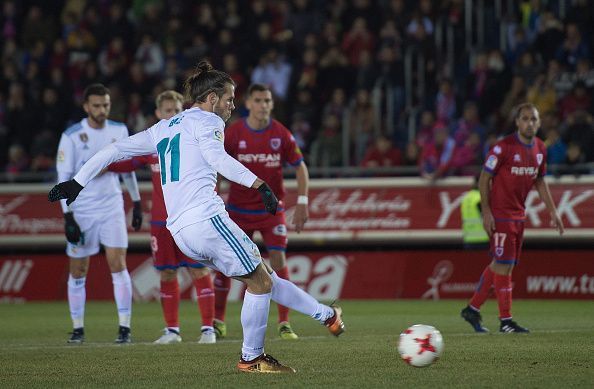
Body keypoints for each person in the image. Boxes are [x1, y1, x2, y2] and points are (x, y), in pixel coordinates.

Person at [49, 61, 344, 373]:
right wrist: (258, 184)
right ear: (213, 98)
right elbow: (218, 158)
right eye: (230, 98)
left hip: (182, 231)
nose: (234, 105)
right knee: (259, 281)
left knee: (263, 276)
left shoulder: (164, 127)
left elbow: (114, 150)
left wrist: (77, 181)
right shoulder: (208, 121)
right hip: (207, 219)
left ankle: (326, 315)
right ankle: (251, 358)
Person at [107, 90, 217, 344]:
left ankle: (207, 330)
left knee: (198, 270)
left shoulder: (193, 141)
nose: (172, 114)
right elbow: (124, 162)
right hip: (160, 221)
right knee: (167, 274)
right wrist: (97, 162)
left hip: (190, 217)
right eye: (167, 110)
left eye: (177, 110)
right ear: (158, 114)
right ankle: (172, 331)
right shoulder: (154, 143)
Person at [213, 83, 309, 341]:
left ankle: (285, 322)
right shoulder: (234, 133)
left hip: (271, 210)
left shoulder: (281, 134)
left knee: (278, 261)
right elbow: (217, 164)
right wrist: (214, 195)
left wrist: (302, 201)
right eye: (258, 100)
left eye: (267, 100)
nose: (263, 105)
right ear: (248, 104)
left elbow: (300, 167)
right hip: (237, 209)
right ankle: (218, 320)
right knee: (226, 264)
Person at [460, 103, 564, 334]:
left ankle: (473, 309)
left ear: (539, 123)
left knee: (501, 264)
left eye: (533, 119)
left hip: (519, 214)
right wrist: (487, 212)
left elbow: (539, 180)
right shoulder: (503, 147)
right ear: (517, 122)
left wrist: (553, 212)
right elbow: (484, 178)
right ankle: (505, 320)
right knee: (504, 266)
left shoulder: (540, 149)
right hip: (501, 214)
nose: (529, 123)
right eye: (525, 119)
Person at [55, 83, 143, 344]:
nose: (102, 109)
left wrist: (136, 201)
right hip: (81, 209)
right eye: (96, 105)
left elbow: (128, 170)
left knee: (119, 264)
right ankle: (78, 328)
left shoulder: (119, 130)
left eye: (105, 104)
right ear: (86, 107)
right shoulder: (72, 136)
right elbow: (62, 177)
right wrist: (67, 216)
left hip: (111, 206)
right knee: (78, 269)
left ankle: (125, 328)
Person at [460, 174, 489, 250]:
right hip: (483, 240)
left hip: (468, 240)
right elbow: (487, 218)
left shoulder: (466, 198)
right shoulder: (480, 198)